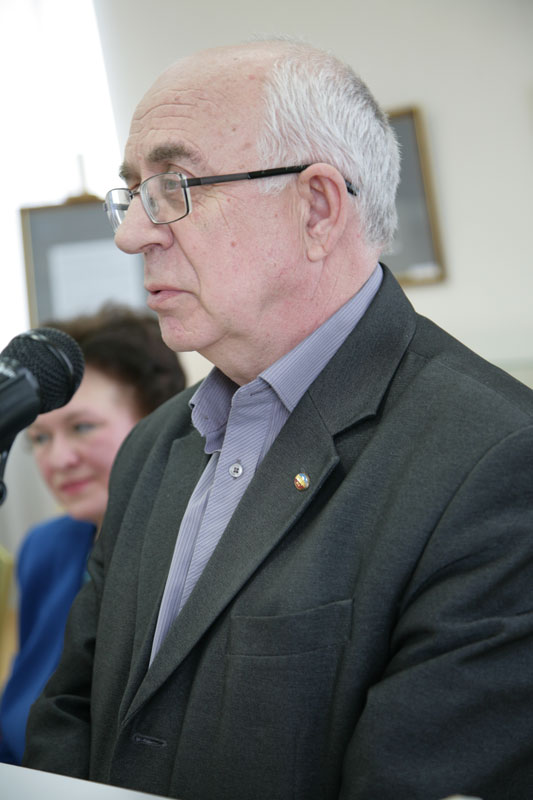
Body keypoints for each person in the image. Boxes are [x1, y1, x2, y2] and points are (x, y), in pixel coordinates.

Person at [23, 39, 533, 800]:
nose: (131, 235)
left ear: (316, 208)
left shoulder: (497, 462)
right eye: (132, 193)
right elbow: (72, 713)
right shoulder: (154, 447)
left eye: (174, 185)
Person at [0, 304, 185, 765]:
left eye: (82, 427)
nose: (57, 460)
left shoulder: (190, 558)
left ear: (157, 422)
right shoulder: (45, 548)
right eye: (39, 438)